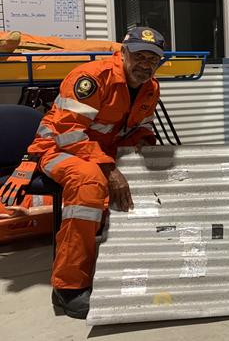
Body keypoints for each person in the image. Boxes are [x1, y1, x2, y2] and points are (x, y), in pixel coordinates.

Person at [11, 27, 164, 319]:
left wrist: (145, 143)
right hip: (58, 149)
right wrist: (110, 169)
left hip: (101, 152)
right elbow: (68, 133)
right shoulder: (91, 78)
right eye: (139, 56)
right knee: (89, 183)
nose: (145, 64)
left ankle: (122, 265)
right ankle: (68, 288)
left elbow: (138, 127)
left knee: (149, 174)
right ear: (123, 54)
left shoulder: (151, 88)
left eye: (152, 59)